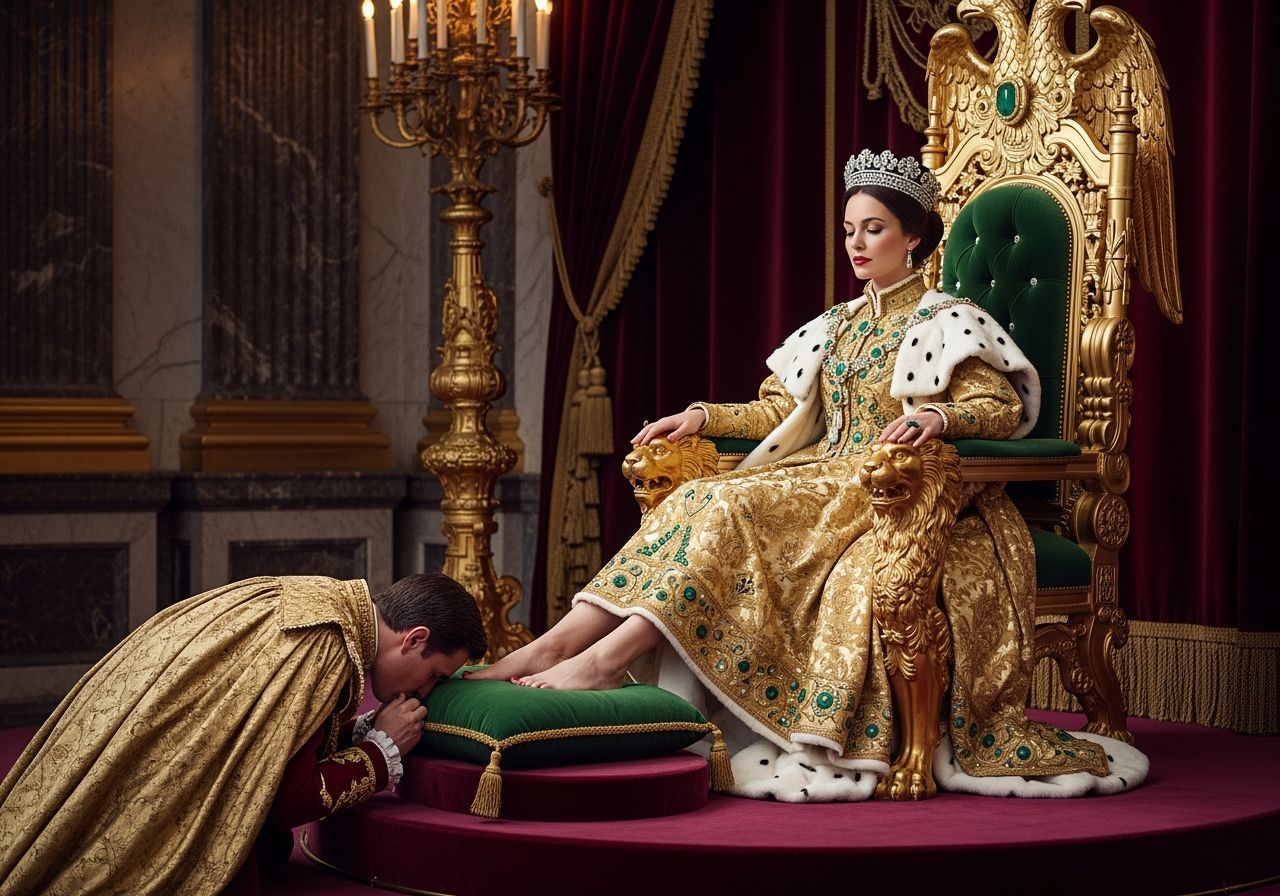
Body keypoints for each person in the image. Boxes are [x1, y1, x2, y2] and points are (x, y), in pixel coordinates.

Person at [472, 148, 1110, 791]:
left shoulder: (948, 321)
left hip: (897, 485)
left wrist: (939, 420)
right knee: (697, 499)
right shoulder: (838, 325)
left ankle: (605, 660)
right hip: (823, 474)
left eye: (875, 228)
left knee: (721, 504)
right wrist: (701, 417)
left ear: (913, 236)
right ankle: (553, 647)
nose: (857, 243)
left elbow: (997, 405)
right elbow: (776, 410)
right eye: (849, 229)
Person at [0, 572, 486, 896]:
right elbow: (281, 799)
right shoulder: (328, 648)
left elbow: (269, 736)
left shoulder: (320, 597)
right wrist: (379, 754)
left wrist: (354, 732)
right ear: (415, 638)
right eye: (435, 675)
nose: (426, 689)